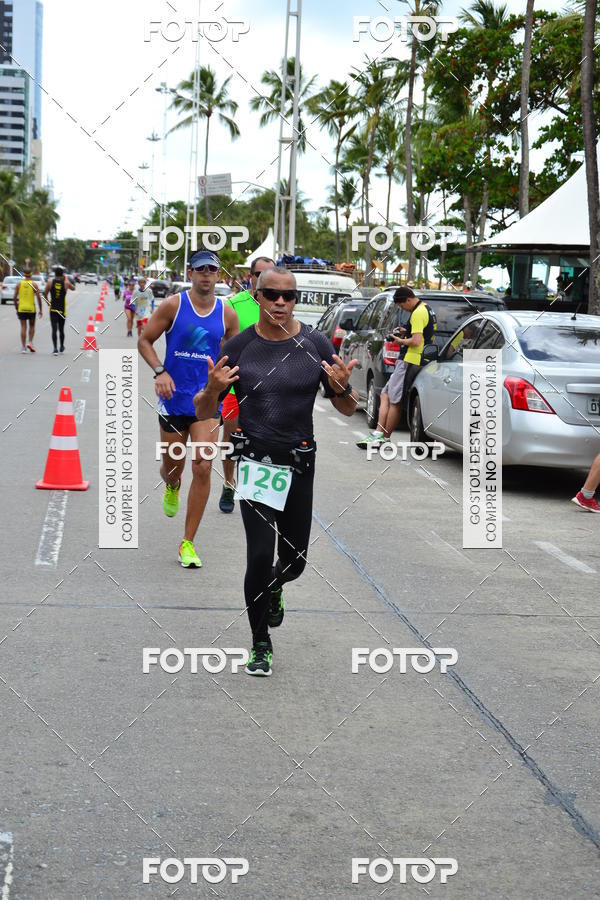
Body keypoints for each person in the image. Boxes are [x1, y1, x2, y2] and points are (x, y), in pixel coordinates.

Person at [193, 266, 358, 676]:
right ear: (257, 295)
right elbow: (202, 411)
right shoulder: (239, 347)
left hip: (300, 462)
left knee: (295, 561)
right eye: (272, 295)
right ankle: (259, 643)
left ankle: (277, 587)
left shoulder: (315, 342)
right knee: (260, 556)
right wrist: (214, 388)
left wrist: (339, 387)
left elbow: (349, 408)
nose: (281, 303)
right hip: (255, 463)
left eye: (289, 296)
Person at [138, 250, 239, 568]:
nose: (206, 274)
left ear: (219, 275)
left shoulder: (227, 314)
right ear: (191, 273)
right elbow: (145, 340)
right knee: (173, 467)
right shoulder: (174, 305)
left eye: (212, 269)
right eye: (200, 269)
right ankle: (171, 485)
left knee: (203, 466)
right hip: (174, 401)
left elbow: (232, 356)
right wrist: (160, 371)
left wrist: (223, 382)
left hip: (208, 402)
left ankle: (188, 543)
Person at [218, 256, 275, 513]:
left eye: (269, 274)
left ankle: (253, 489)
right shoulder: (233, 305)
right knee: (231, 436)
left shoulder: (280, 306)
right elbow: (220, 342)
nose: (263, 279)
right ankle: (229, 484)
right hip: (235, 386)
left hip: (270, 389)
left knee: (263, 440)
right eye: (259, 274)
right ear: (250, 277)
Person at [356, 286, 429, 448]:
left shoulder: (417, 313)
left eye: (402, 306)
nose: (403, 309)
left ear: (409, 300)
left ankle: (382, 437)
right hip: (412, 360)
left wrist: (399, 341)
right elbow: (423, 335)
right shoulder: (426, 309)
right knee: (386, 394)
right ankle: (379, 434)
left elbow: (416, 341)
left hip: (410, 359)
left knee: (394, 399)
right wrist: (405, 331)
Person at [44, 266, 75, 354]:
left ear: (55, 274)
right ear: (62, 274)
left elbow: (45, 294)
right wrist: (67, 280)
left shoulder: (50, 282)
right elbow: (74, 288)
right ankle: (61, 346)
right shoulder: (66, 284)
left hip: (53, 309)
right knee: (61, 329)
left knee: (54, 329)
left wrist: (48, 303)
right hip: (62, 310)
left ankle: (55, 349)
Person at [14, 267, 43, 353]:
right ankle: (30, 342)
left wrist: (16, 307)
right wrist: (40, 309)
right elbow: (38, 298)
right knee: (32, 326)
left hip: (21, 308)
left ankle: (23, 348)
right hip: (31, 309)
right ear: (31, 274)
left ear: (23, 274)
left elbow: (14, 297)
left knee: (23, 327)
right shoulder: (34, 285)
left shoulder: (19, 284)